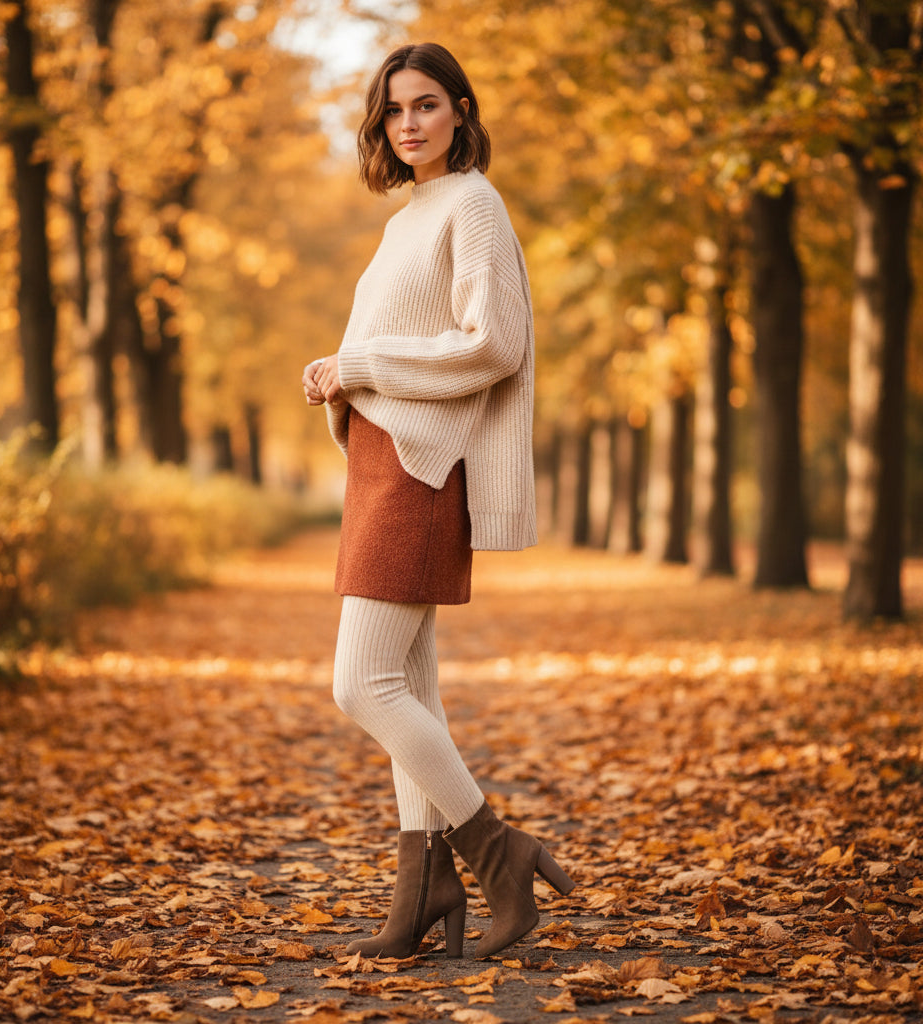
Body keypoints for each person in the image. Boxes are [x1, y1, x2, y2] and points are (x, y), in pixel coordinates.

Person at [302, 42, 573, 961]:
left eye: (425, 104)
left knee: (361, 684)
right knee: (411, 687)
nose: (408, 123)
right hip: (380, 458)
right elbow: (399, 342)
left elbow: (493, 343)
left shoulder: (473, 203)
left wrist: (362, 363)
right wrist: (340, 371)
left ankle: (498, 852)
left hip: (421, 468)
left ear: (461, 108)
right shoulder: (409, 215)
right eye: (393, 109)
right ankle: (423, 888)